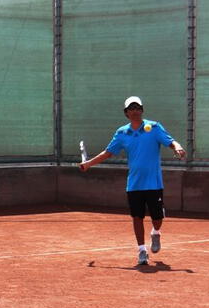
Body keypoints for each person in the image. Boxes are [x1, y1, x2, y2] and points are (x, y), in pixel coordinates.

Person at [79, 96, 186, 265]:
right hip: (134, 184)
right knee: (137, 217)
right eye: (132, 108)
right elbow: (108, 152)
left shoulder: (155, 127)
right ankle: (142, 250)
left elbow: (171, 141)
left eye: (138, 107)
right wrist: (89, 164)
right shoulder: (122, 133)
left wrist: (178, 147)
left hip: (154, 183)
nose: (135, 111)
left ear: (142, 110)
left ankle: (156, 233)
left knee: (157, 218)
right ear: (126, 113)